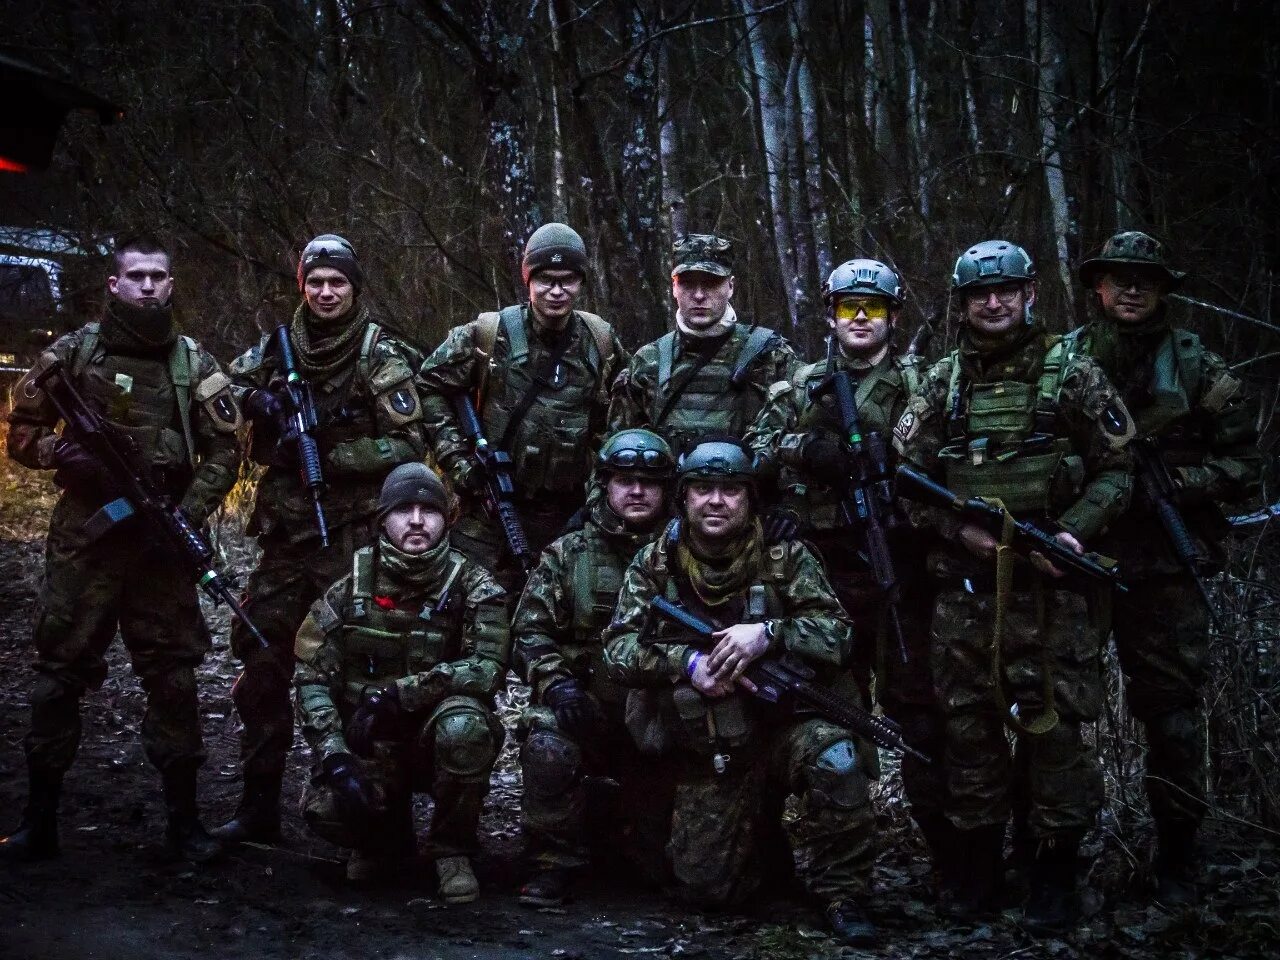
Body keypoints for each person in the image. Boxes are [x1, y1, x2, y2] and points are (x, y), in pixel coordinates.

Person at [893, 239, 1136, 932]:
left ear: (1030, 294)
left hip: (1052, 593)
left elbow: (1118, 470)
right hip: (965, 598)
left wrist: (1074, 533)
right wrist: (955, 532)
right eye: (979, 295)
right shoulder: (939, 384)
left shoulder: (1075, 376)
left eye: (1005, 291)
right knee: (968, 738)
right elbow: (907, 483)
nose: (993, 304)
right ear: (963, 304)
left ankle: (1051, 874)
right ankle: (976, 875)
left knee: (1055, 738)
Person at [2, 234, 241, 863]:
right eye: (135, 276)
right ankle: (38, 819)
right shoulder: (73, 354)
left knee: (174, 679)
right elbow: (21, 429)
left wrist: (183, 518)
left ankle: (185, 825)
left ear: (171, 284)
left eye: (158, 277)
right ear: (113, 284)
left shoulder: (193, 362)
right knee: (58, 675)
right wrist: (62, 453)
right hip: (87, 542)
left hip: (159, 547)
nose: (147, 286)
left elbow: (225, 451)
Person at [602, 440, 879, 946]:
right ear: (683, 498)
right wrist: (687, 666)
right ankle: (764, 853)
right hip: (714, 747)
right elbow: (617, 648)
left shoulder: (786, 557)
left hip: (788, 727)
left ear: (750, 500)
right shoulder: (655, 562)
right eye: (703, 489)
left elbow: (838, 634)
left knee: (836, 759)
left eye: (730, 490)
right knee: (709, 890)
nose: (715, 501)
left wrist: (768, 633)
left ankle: (844, 892)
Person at [215, 234, 427, 844]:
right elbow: (220, 391)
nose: (326, 292)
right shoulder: (280, 347)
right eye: (316, 282)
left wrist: (333, 455)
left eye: (338, 282)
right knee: (261, 665)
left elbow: (409, 444)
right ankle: (258, 805)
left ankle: (371, 814)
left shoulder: (377, 353)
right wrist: (264, 404)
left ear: (355, 288)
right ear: (302, 286)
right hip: (286, 543)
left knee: (361, 671)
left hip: (353, 542)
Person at [1070, 231, 1261, 904]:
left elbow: (1245, 465)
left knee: (1175, 717)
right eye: (1117, 278)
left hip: (1167, 567)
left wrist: (1182, 485)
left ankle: (1180, 854)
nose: (1129, 289)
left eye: (1144, 279)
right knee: (1055, 710)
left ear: (1163, 289)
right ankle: (1056, 856)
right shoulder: (1066, 361)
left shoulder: (1197, 366)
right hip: (1083, 562)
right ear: (1097, 287)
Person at [745, 258, 948, 872]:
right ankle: (840, 860)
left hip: (902, 574)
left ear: (893, 317)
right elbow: (751, 457)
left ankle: (951, 857)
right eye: (848, 307)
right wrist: (807, 449)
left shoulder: (922, 384)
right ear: (830, 315)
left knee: (920, 713)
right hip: (821, 579)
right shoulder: (799, 386)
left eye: (875, 308)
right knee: (832, 710)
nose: (861, 318)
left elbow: (947, 465)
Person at [294, 463, 508, 898]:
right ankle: (380, 841)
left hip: (436, 741)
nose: (416, 521)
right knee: (330, 808)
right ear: (383, 520)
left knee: (465, 727)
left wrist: (400, 694)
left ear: (446, 519)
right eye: (403, 510)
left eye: (428, 510)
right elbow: (310, 676)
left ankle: (452, 851)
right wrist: (335, 756)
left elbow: (487, 667)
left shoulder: (473, 584)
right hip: (373, 744)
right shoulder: (349, 587)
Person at [415, 223, 627, 603]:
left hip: (569, 515)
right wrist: (460, 463)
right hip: (487, 510)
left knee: (565, 614)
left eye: (568, 280)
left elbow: (623, 420)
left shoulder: (601, 342)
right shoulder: (488, 335)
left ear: (581, 282)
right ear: (528, 280)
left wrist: (602, 491)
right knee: (458, 604)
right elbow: (429, 387)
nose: (557, 291)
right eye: (546, 280)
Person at [513, 428, 677, 906]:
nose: (637, 491)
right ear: (605, 485)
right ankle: (553, 861)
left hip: (661, 715)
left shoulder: (692, 553)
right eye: (625, 480)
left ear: (668, 489)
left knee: (684, 870)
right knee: (546, 742)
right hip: (587, 708)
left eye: (650, 481)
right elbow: (529, 632)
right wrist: (556, 683)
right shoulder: (569, 554)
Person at [607, 234, 797, 455]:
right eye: (687, 283)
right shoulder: (649, 361)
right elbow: (615, 454)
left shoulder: (771, 355)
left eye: (711, 283)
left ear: (731, 287)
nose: (699, 295)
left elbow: (794, 446)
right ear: (674, 288)